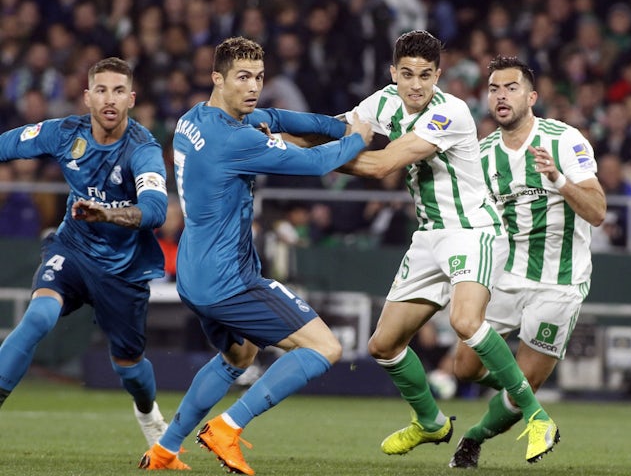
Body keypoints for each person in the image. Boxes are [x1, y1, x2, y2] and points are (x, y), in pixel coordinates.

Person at [138, 36, 372, 474]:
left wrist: (338, 124)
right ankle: (228, 428)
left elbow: (280, 116)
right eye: (243, 77)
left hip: (194, 272)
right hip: (230, 280)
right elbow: (318, 165)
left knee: (238, 356)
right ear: (217, 78)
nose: (253, 87)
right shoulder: (236, 141)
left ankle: (165, 451)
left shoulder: (194, 119)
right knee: (325, 347)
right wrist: (357, 136)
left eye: (259, 77)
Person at [338, 30, 559, 464]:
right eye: (407, 75)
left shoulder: (451, 112)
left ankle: (536, 417)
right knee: (383, 345)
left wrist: (302, 159)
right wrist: (279, 139)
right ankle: (431, 422)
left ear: (438, 75)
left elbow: (382, 163)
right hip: (428, 235)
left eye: (425, 75)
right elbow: (337, 130)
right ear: (393, 74)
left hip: (472, 229)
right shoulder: (382, 101)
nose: (416, 85)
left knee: (464, 320)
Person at [0, 57, 171, 448]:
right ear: (87, 97)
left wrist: (107, 213)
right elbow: (7, 145)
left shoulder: (142, 150)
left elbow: (156, 211)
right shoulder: (64, 133)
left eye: (118, 91)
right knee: (39, 317)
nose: (109, 99)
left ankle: (148, 414)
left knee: (128, 368)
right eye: (101, 90)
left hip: (123, 271)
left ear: (131, 98)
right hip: (73, 250)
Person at [448, 55, 606, 468]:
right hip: (505, 275)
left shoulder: (564, 141)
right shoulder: (480, 156)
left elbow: (598, 211)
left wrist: (557, 180)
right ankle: (526, 404)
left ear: (532, 96)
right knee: (463, 368)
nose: (501, 96)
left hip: (560, 280)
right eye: (495, 89)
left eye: (511, 87)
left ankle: (473, 438)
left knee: (527, 379)